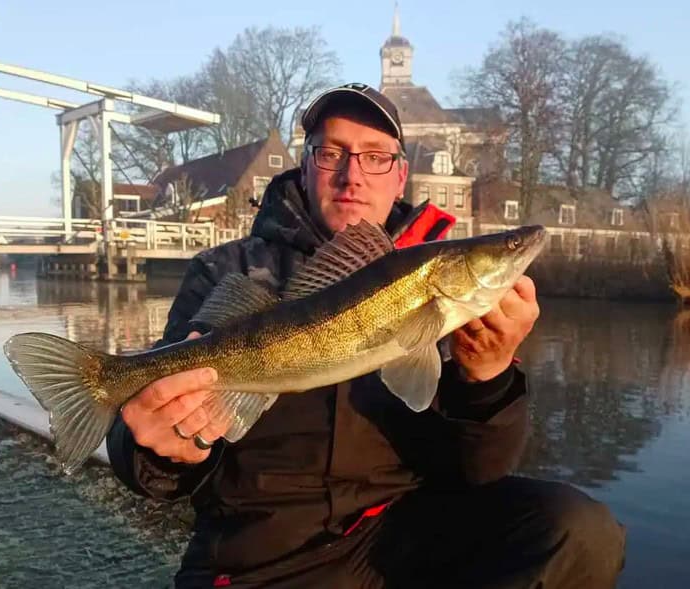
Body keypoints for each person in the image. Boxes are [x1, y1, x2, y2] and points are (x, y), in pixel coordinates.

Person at [107, 83, 626, 588]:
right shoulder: (226, 272)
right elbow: (151, 465)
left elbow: (481, 469)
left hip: (403, 540)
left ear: (401, 176)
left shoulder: (451, 301)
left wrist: (489, 378)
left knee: (577, 530)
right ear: (306, 166)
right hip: (258, 553)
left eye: (376, 156)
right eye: (332, 153)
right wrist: (159, 447)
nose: (352, 175)